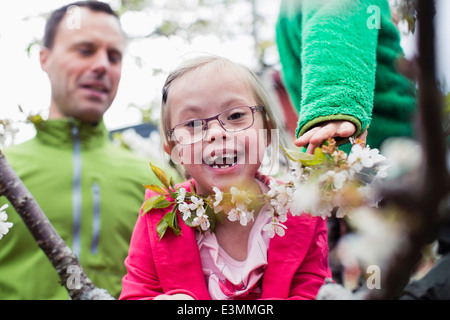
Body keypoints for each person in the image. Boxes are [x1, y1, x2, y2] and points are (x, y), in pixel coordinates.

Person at [119, 55, 332, 300]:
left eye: (235, 116)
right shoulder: (159, 216)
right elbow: (137, 292)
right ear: (172, 148)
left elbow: (313, 289)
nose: (217, 133)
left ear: (267, 131)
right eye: (194, 123)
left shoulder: (300, 209)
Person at [0, 1, 169, 299]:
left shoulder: (157, 182)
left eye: (114, 56)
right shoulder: (6, 170)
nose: (102, 65)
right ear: (45, 58)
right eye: (85, 50)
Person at [276, 0, 417, 154]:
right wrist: (333, 104)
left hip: (331, 154)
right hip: (384, 147)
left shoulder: (286, 13)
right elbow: (338, 20)